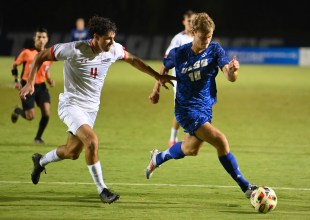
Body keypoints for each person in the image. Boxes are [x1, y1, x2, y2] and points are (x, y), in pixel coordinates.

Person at [19, 15, 176, 204]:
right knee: (92, 142)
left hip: (91, 110)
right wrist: (30, 83)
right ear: (95, 37)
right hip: (71, 105)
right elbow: (40, 56)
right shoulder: (74, 49)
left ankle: (40, 161)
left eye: (113, 37)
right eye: (108, 38)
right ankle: (102, 189)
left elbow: (133, 60)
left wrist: (157, 77)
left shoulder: (113, 49)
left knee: (72, 152)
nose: (112, 42)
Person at [145, 12, 257, 199]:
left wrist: (234, 70)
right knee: (221, 140)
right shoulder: (179, 53)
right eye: (203, 36)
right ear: (194, 32)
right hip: (186, 110)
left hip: (205, 108)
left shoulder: (215, 50)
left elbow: (229, 76)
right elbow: (164, 68)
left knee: (191, 149)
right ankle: (246, 187)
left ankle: (158, 158)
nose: (206, 40)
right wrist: (155, 89)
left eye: (210, 36)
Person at [149, 10, 195, 147]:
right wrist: (156, 89)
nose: (191, 24)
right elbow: (166, 63)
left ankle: (188, 136)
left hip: (196, 81)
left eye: (194, 21)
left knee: (194, 109)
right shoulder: (178, 39)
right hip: (180, 82)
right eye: (189, 21)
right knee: (182, 109)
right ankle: (174, 138)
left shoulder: (199, 37)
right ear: (184, 22)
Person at [11, 27, 55, 144]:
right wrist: (16, 81)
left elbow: (46, 68)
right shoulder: (26, 52)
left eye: (43, 37)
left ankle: (38, 137)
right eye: (39, 37)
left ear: (47, 39)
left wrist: (49, 79)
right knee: (30, 117)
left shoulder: (48, 54)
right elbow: (14, 66)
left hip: (41, 86)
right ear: (35, 38)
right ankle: (17, 110)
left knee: (46, 113)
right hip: (28, 86)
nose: (41, 39)